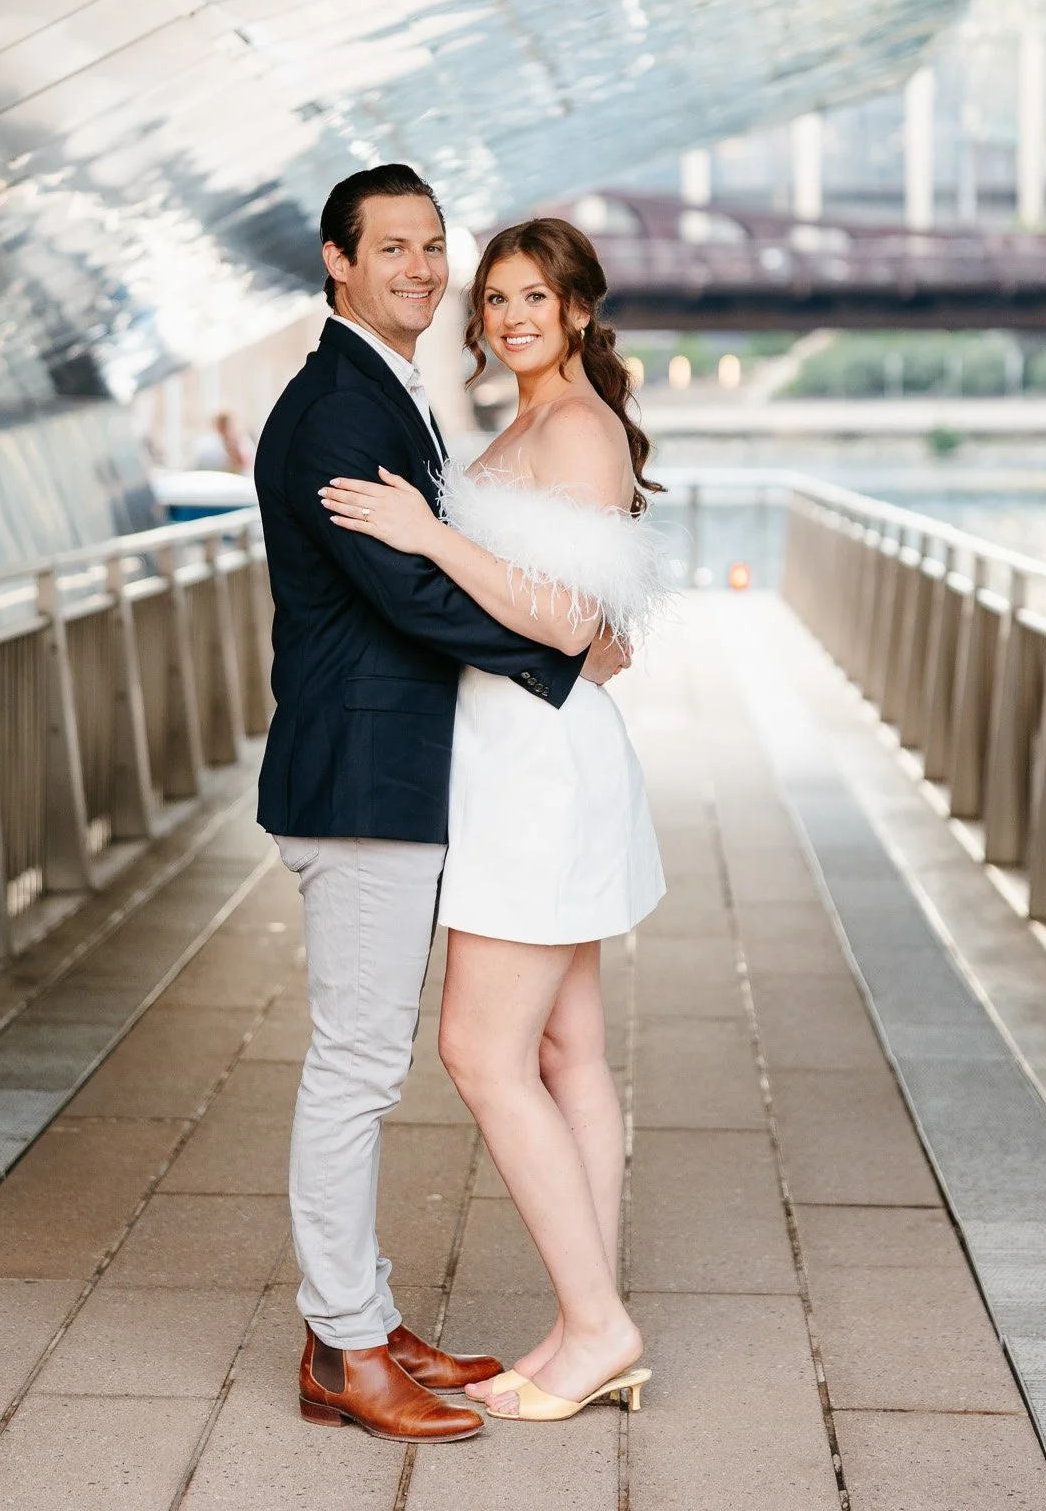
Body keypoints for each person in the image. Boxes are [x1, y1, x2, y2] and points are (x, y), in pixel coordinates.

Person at [254, 167, 629, 1444]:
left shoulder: (393, 393)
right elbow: (407, 594)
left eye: (433, 246)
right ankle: (345, 1344)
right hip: (366, 778)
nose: (421, 268)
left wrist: (577, 631)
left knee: (502, 1050)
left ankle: (391, 1315)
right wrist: (564, 650)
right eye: (392, 247)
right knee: (359, 1064)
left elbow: (482, 568)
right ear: (336, 259)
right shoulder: (336, 406)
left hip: (435, 770)